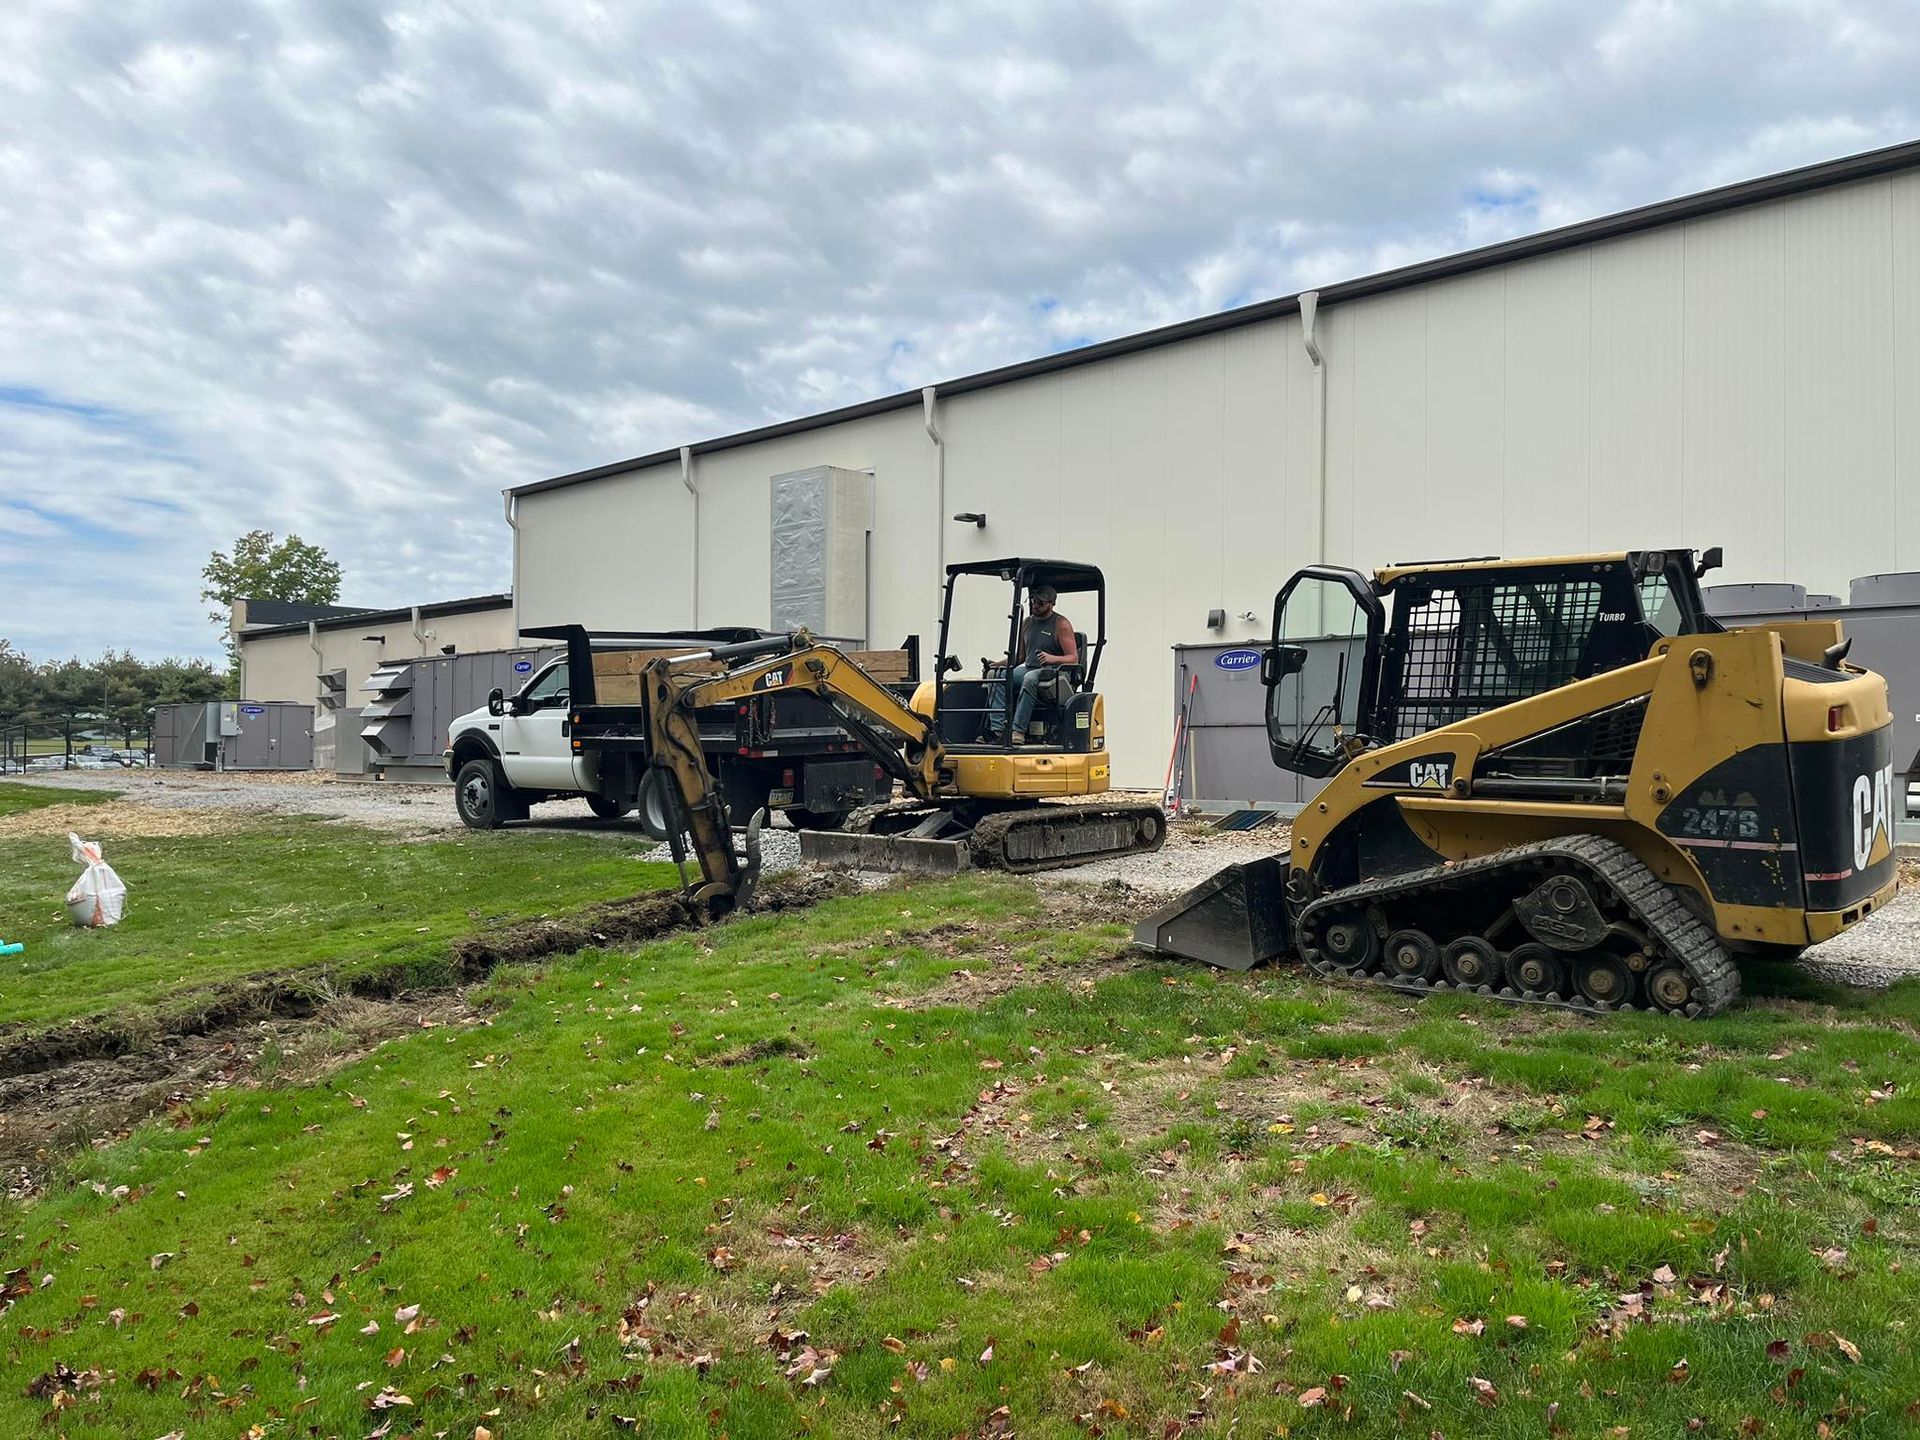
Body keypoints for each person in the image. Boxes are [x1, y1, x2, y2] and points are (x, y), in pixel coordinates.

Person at [990, 584, 1079, 744]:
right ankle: (998, 729)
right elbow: (1020, 657)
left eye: (1040, 603)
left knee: (1030, 678)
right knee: (997, 677)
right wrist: (997, 665)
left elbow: (1073, 658)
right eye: (1033, 601)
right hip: (1030, 668)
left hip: (1055, 672)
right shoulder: (1027, 623)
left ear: (1052, 603)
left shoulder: (1061, 624)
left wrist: (1053, 658)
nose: (1035, 605)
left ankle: (1018, 731)